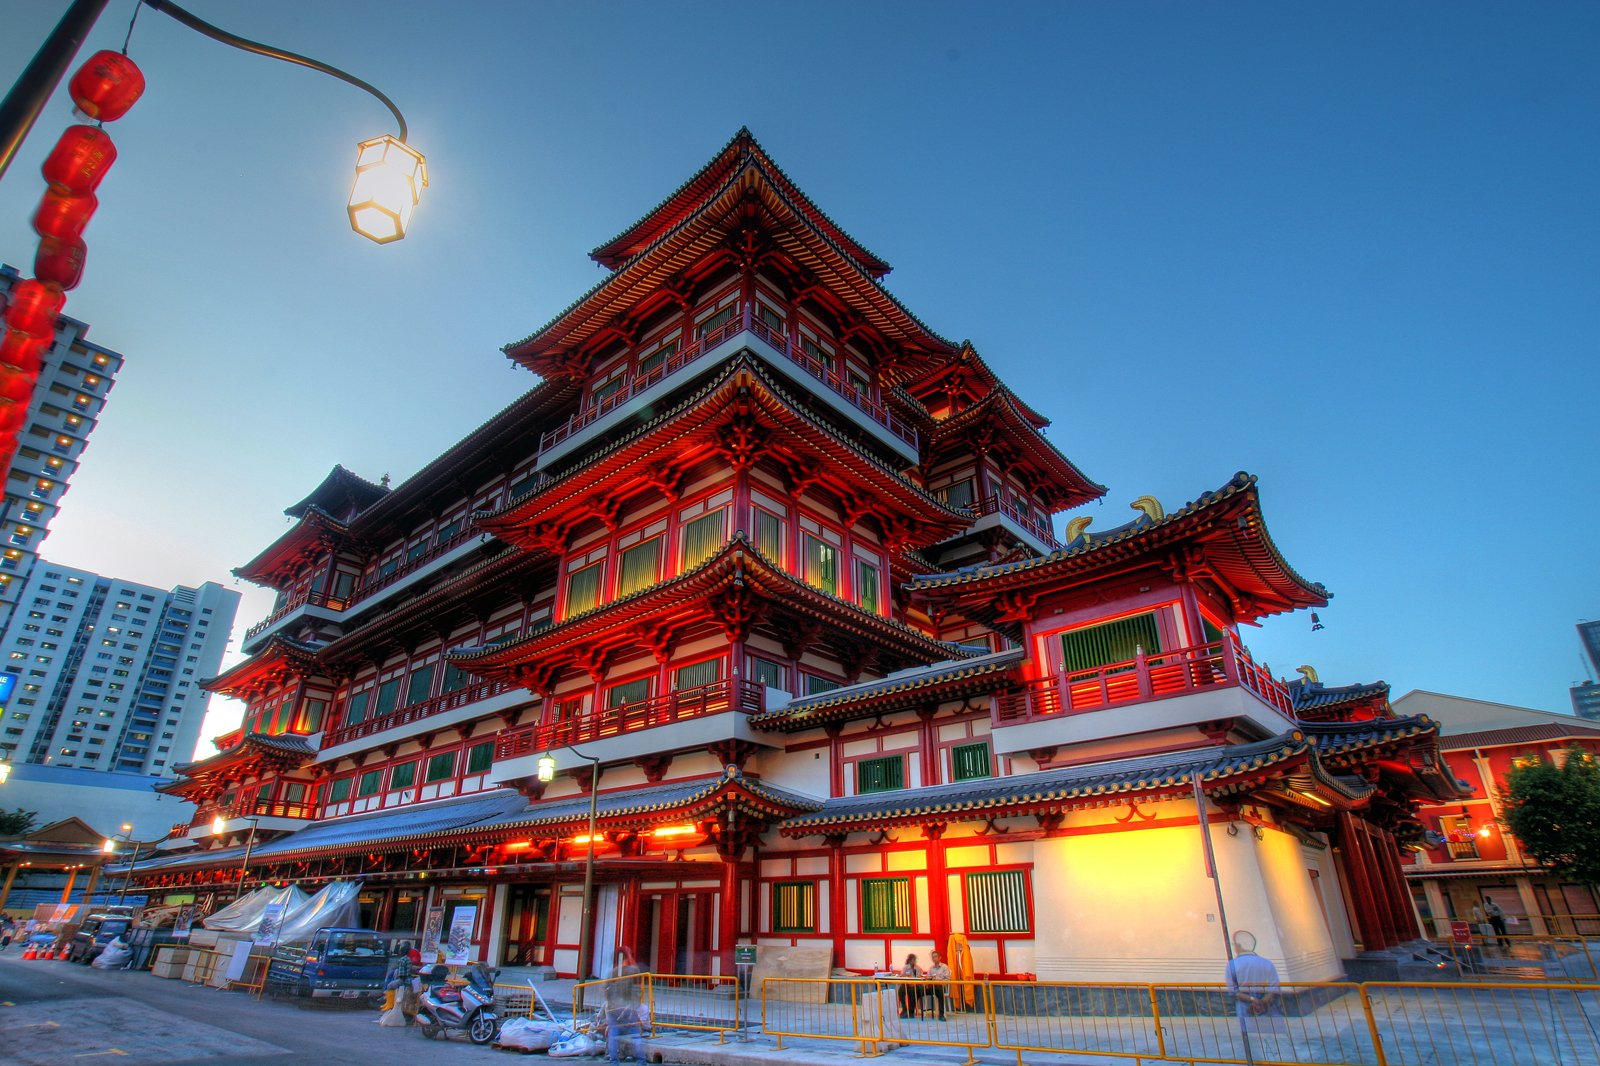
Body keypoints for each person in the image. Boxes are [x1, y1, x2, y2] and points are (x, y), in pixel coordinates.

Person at [1224, 931, 1284, 1046]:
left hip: (1244, 1007)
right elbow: (1274, 988)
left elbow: (1233, 991)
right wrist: (1262, 1002)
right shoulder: (1267, 963)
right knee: (1271, 1042)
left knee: (1249, 1041)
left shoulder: (1232, 965)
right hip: (1267, 1008)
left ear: (1239, 946)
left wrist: (1252, 1000)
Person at [603, 947, 646, 1066]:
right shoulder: (632, 970)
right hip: (628, 1007)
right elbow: (637, 975)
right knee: (636, 1035)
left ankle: (614, 1062)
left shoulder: (613, 972)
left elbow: (606, 989)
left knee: (613, 1035)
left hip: (613, 1007)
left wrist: (610, 1002)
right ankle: (641, 1061)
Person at [924, 950, 951, 1020]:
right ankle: (911, 1012)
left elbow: (947, 979)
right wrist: (928, 979)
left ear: (940, 958)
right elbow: (928, 977)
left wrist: (939, 982)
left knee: (939, 990)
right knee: (919, 989)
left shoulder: (944, 967)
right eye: (933, 957)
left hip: (940, 986)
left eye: (935, 957)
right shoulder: (931, 968)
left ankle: (941, 1014)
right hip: (931, 986)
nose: (934, 958)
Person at [895, 953, 924, 1018]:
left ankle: (911, 1012)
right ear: (909, 960)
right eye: (912, 960)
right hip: (906, 984)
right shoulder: (905, 967)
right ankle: (904, 1009)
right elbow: (902, 975)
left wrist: (914, 982)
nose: (913, 961)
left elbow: (920, 977)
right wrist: (907, 976)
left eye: (914, 960)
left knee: (912, 992)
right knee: (901, 991)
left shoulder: (918, 968)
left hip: (915, 985)